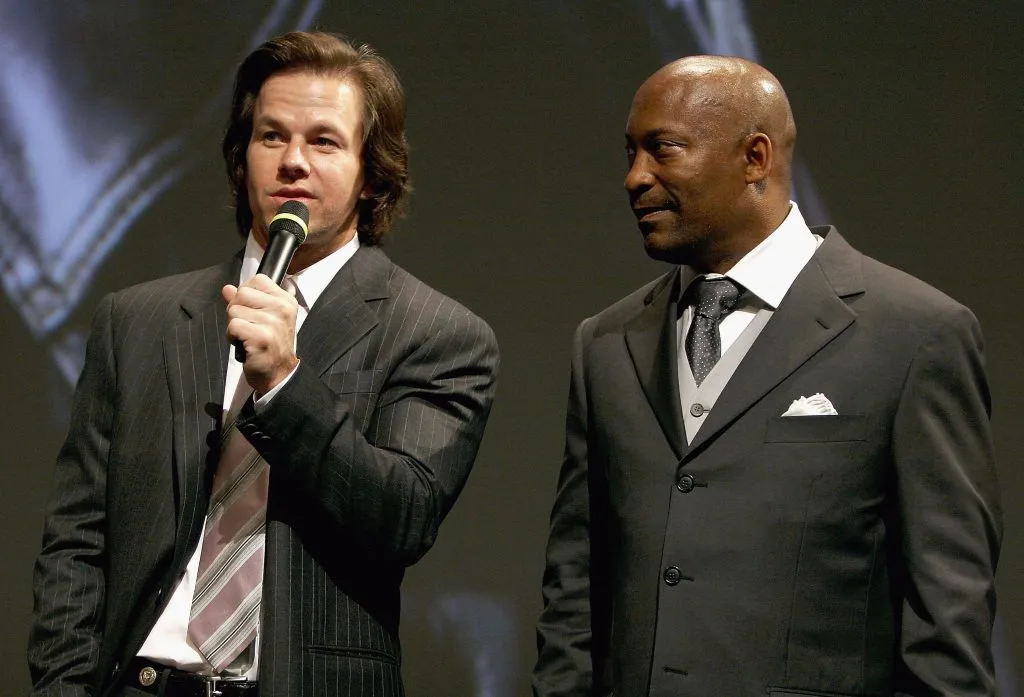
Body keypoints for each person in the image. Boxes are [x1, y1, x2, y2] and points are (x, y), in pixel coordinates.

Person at [28, 31, 499, 697]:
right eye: (271, 136)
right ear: (240, 155)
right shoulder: (138, 319)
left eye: (324, 141)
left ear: (373, 172)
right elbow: (77, 537)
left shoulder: (437, 333)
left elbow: (400, 518)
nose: (292, 162)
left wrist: (283, 383)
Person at [533, 55, 1001, 697]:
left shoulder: (915, 335)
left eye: (662, 150)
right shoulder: (605, 342)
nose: (634, 178)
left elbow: (948, 611)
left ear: (755, 158)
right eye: (631, 153)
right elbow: (574, 587)